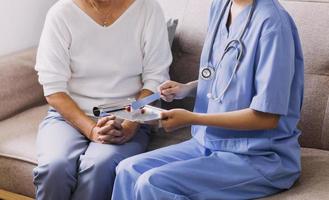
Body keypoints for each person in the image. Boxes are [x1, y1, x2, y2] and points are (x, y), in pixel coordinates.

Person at [111, 0, 304, 199]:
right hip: (208, 142)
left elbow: (267, 117)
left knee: (152, 183)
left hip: (258, 155)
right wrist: (186, 89)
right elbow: (224, 75)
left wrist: (193, 118)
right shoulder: (220, 6)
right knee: (128, 170)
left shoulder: (273, 24)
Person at [33, 0, 172, 199]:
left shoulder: (148, 9)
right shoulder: (60, 13)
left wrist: (130, 124)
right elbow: (54, 89)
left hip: (128, 116)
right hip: (68, 117)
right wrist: (91, 130)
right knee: (55, 166)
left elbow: (156, 78)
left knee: (99, 165)